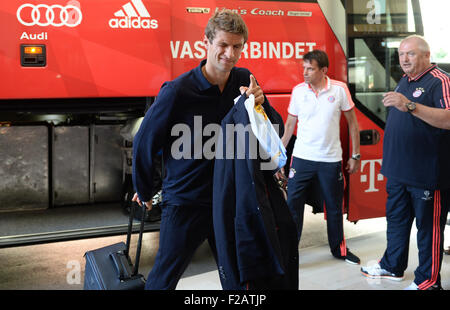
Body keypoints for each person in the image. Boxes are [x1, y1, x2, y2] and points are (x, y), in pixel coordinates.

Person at [131, 9, 282, 290]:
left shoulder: (245, 80)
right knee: (163, 279)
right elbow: (144, 141)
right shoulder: (177, 91)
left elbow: (274, 130)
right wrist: (145, 188)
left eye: (237, 46)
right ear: (207, 43)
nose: (230, 53)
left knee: (238, 278)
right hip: (187, 202)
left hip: (231, 200)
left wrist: (262, 105)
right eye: (223, 45)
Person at [360, 35, 450, 290]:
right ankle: (392, 266)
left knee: (428, 230)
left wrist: (409, 105)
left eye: (410, 54)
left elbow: (448, 118)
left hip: (427, 174)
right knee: (396, 222)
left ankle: (429, 281)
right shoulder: (405, 81)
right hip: (399, 172)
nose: (404, 59)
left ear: (426, 55)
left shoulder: (440, 81)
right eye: (401, 54)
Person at [281, 49, 361, 265]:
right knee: (293, 207)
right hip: (301, 158)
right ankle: (289, 252)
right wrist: (279, 157)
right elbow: (290, 125)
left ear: (323, 70)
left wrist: (355, 155)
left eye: (310, 68)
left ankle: (339, 249)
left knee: (334, 207)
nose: (304, 72)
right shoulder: (298, 91)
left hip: (330, 160)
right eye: (303, 68)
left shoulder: (340, 89)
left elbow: (353, 124)